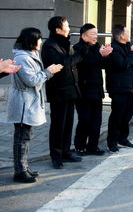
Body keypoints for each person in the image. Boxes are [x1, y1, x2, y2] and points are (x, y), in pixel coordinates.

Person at [7, 28, 62, 183]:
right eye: (38, 39)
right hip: (23, 103)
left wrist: (48, 72)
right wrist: (48, 71)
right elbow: (31, 80)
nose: (41, 41)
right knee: (21, 138)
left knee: (26, 136)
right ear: (31, 41)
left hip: (29, 102)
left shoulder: (30, 55)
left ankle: (24, 167)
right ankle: (20, 171)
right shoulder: (22, 58)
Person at [42, 16, 86, 169]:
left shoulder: (65, 44)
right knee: (58, 125)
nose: (69, 28)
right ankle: (56, 155)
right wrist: (79, 54)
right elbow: (62, 64)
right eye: (66, 25)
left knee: (68, 124)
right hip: (58, 91)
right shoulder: (49, 46)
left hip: (70, 90)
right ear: (58, 29)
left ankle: (66, 151)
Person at [73, 24, 113, 156]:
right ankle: (80, 145)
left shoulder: (97, 47)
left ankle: (93, 146)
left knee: (97, 120)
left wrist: (106, 55)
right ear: (84, 35)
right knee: (85, 120)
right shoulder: (77, 48)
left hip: (96, 89)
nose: (96, 36)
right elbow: (85, 64)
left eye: (96, 33)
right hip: (83, 90)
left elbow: (102, 65)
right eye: (93, 34)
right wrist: (100, 56)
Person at [105, 24, 133, 152]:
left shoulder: (127, 46)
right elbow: (122, 64)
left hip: (128, 86)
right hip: (118, 87)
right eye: (127, 32)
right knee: (117, 115)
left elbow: (132, 63)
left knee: (127, 114)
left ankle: (123, 138)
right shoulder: (114, 48)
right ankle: (112, 142)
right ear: (121, 36)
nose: (129, 34)